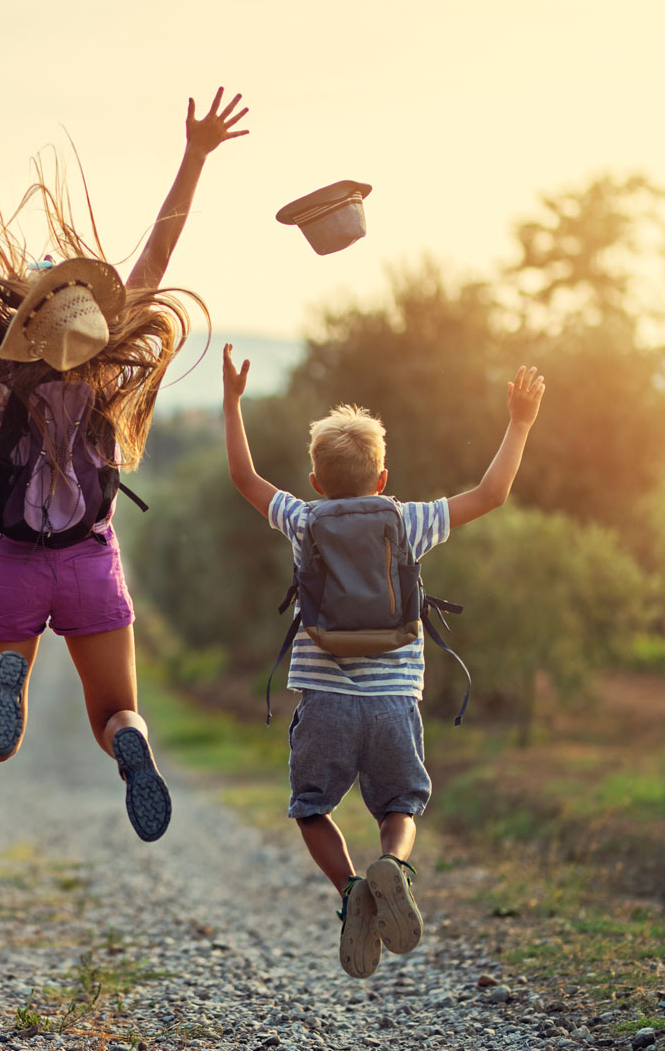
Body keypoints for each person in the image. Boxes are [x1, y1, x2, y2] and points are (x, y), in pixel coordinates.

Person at [0, 77, 248, 842]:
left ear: (18, 316)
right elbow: (159, 251)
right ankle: (133, 745)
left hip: (10, 560)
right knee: (116, 712)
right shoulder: (107, 371)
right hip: (89, 562)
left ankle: (11, 683)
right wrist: (195, 155)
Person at [220, 343, 545, 975]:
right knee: (402, 804)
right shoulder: (409, 521)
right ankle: (392, 864)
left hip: (325, 704)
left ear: (316, 481)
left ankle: (350, 891)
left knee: (311, 808)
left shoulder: (303, 519)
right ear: (382, 478)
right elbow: (492, 493)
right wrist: (520, 421)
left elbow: (244, 478)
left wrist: (233, 403)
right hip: (395, 702)